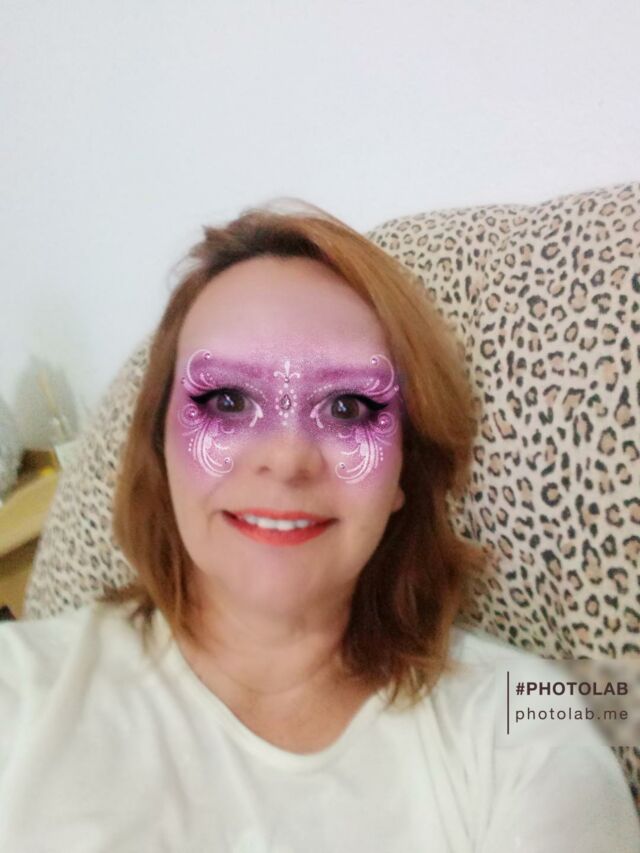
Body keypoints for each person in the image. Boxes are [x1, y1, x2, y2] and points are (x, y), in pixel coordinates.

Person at [0, 203, 638, 852]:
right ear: (160, 450)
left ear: (404, 469)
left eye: (348, 406)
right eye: (227, 400)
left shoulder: (522, 723)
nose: (287, 457)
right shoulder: (19, 688)